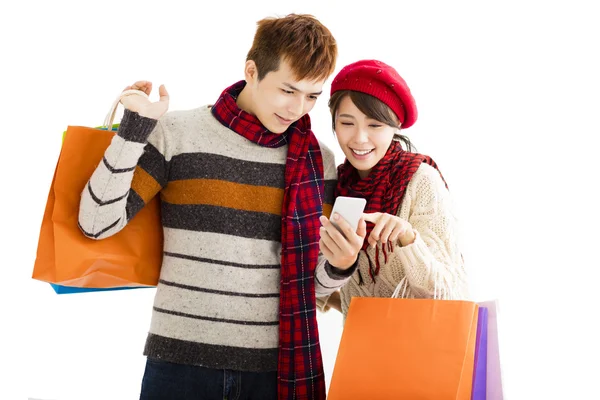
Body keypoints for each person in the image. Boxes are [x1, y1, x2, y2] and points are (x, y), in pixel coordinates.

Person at [78, 14, 363, 400]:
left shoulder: (317, 162)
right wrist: (134, 129)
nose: (299, 108)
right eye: (288, 90)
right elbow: (95, 224)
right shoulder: (177, 134)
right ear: (252, 71)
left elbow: (310, 286)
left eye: (312, 96)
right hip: (178, 365)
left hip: (273, 372)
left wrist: (339, 265)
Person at [317, 59, 469, 317]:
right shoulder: (336, 184)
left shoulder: (421, 180)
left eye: (375, 125)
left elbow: (449, 293)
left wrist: (408, 239)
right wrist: (347, 303)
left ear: (395, 127)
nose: (359, 138)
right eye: (346, 123)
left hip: (425, 351)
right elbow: (320, 280)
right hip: (363, 349)